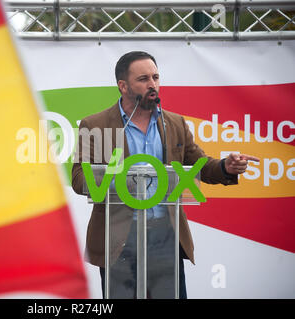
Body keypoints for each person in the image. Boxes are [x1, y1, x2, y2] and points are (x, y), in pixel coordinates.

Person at [71, 51, 259, 299]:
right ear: (123, 86)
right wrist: (123, 179)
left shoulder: (175, 123)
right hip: (119, 240)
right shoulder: (95, 125)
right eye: (143, 79)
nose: (153, 84)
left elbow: (200, 165)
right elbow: (79, 178)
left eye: (156, 77)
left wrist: (226, 167)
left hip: (165, 238)